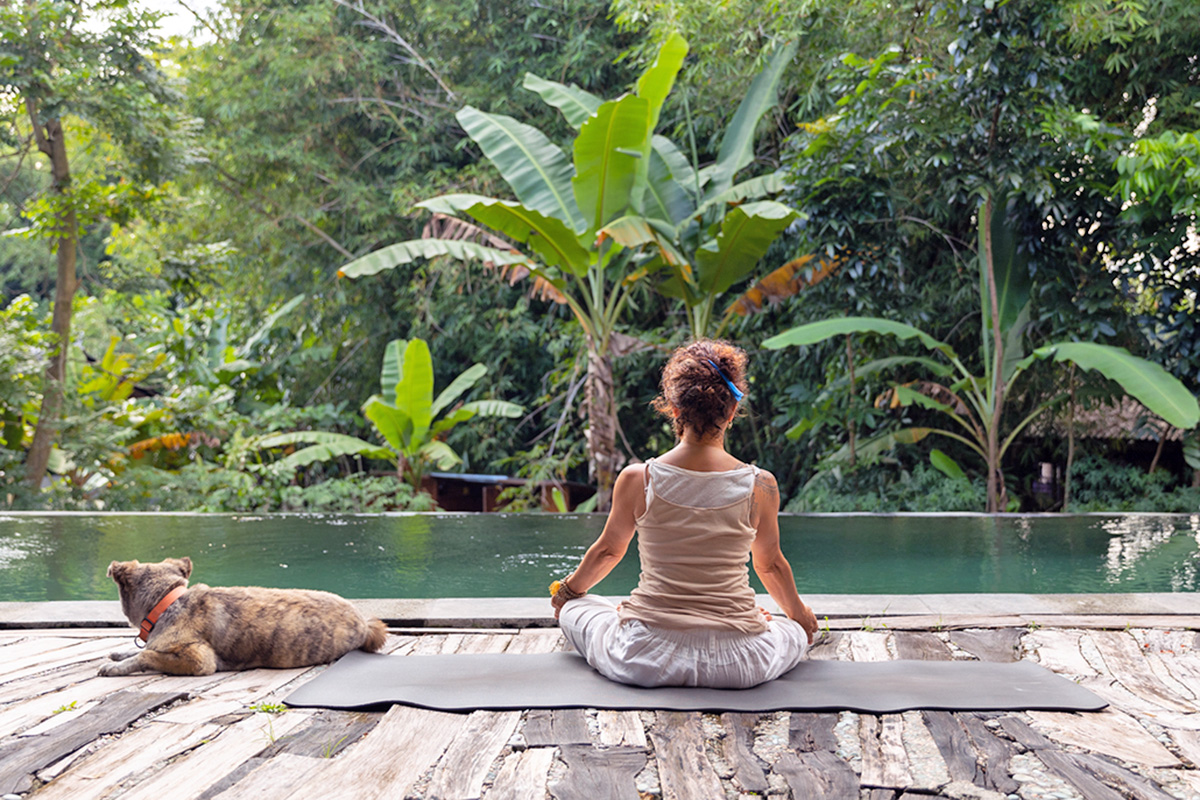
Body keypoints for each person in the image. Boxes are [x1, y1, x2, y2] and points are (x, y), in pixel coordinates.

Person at [551, 339, 819, 689]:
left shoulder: (639, 478)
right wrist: (801, 618)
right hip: (739, 662)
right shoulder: (761, 485)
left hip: (645, 657)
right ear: (732, 412)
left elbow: (608, 552)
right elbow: (770, 566)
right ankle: (754, 620)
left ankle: (630, 615)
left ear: (675, 409)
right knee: (789, 629)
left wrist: (567, 592)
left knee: (579, 609)